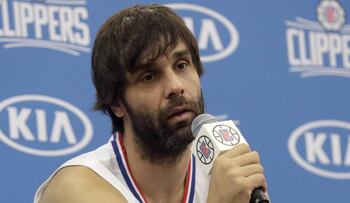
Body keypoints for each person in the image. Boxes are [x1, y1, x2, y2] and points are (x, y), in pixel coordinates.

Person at [34, 4, 268, 203]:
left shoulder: (223, 178)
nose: (176, 86)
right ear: (116, 102)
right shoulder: (76, 187)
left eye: (181, 65)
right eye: (149, 76)